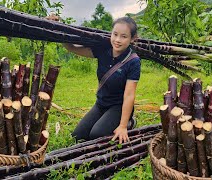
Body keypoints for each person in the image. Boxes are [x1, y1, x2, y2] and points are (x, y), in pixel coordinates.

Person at [46, 15, 141, 144]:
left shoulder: (133, 61)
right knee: (77, 136)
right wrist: (59, 26)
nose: (117, 40)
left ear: (132, 39)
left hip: (118, 106)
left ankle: (130, 122)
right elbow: (72, 48)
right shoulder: (103, 49)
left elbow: (129, 95)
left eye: (124, 36)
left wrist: (123, 126)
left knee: (96, 135)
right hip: (101, 103)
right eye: (115, 34)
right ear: (111, 33)